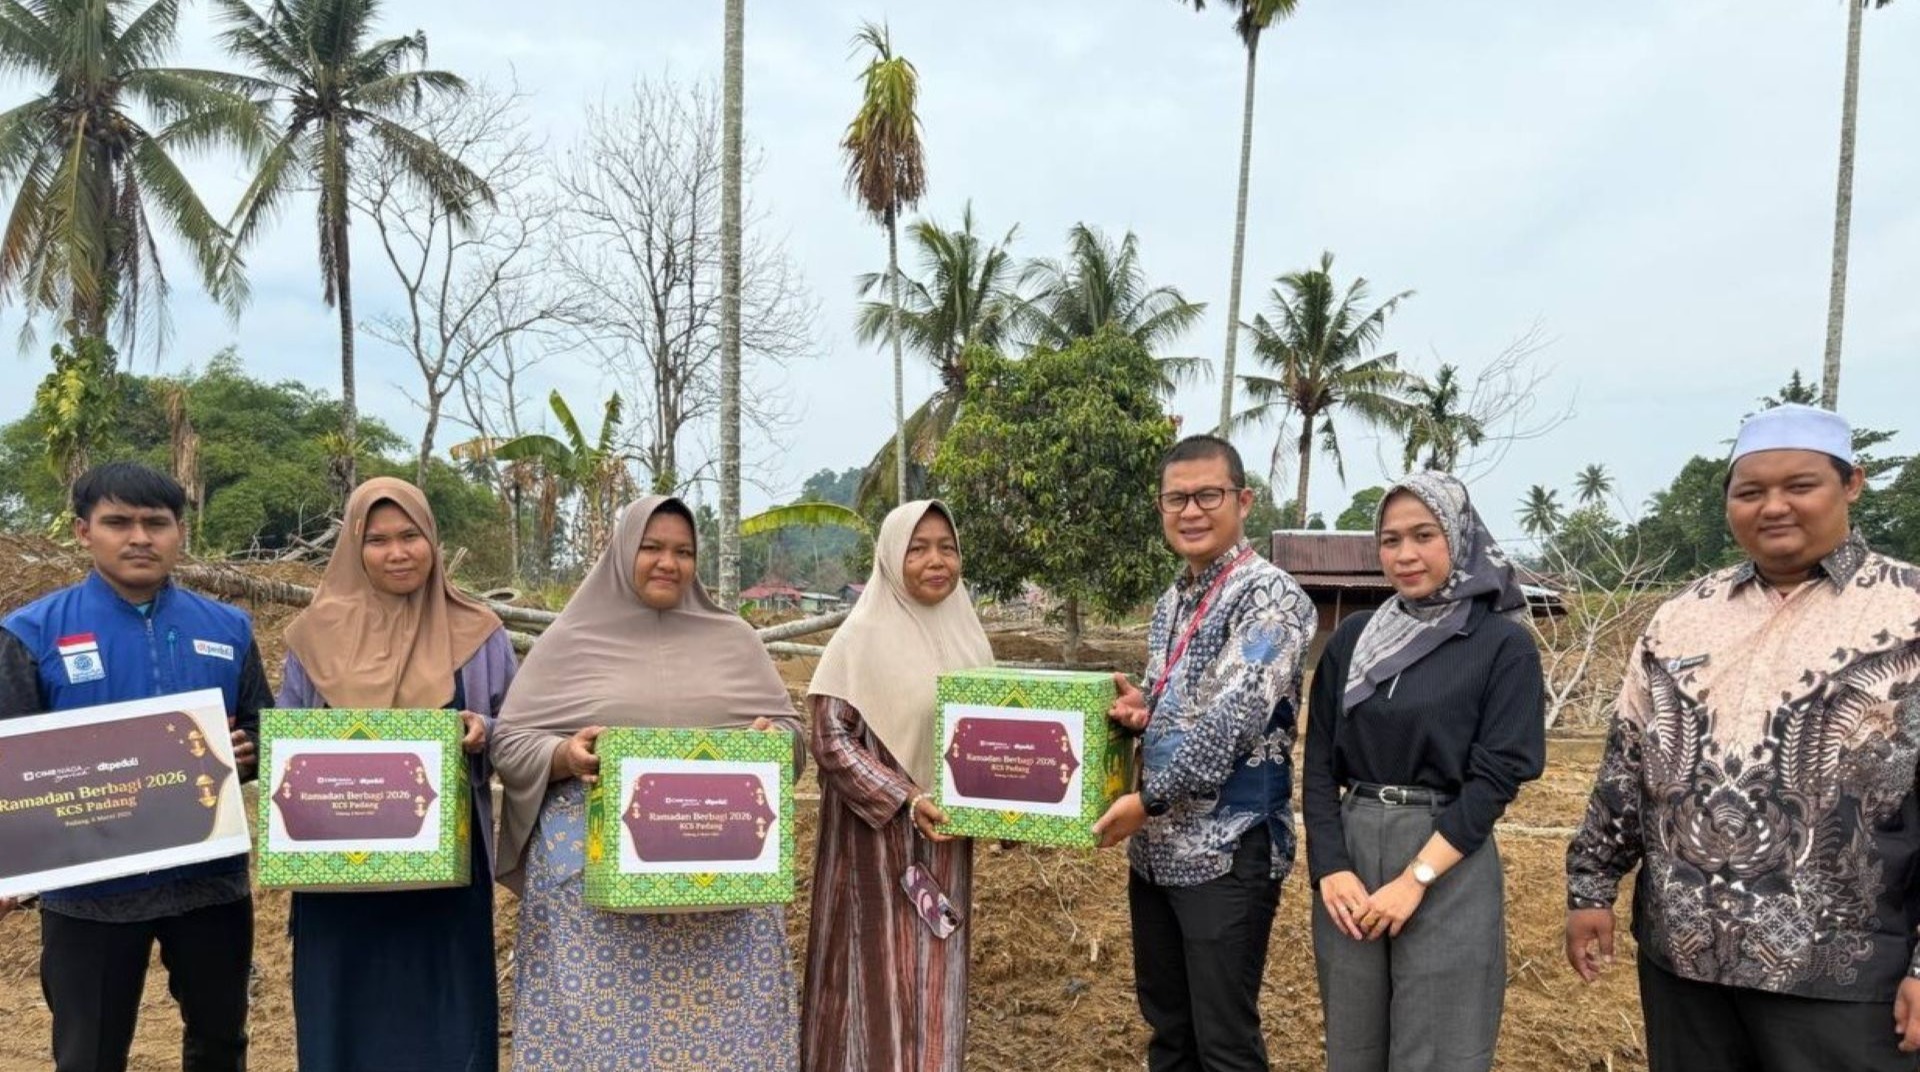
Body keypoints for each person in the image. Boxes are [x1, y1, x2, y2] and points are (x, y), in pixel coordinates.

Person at [1565, 403, 1920, 1072]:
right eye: (1750, 491)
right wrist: (1592, 888)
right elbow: (1625, 767)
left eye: (1800, 486)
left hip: (1844, 970)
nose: (1774, 507)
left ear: (1851, 484)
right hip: (1685, 960)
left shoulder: (1908, 613)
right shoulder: (1682, 617)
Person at [491, 495, 802, 1071]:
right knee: (598, 1042)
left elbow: (790, 733)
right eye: (651, 548)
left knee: (722, 1041)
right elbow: (508, 742)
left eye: (683, 551)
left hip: (721, 887)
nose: (668, 563)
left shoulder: (734, 639)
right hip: (592, 895)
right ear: (622, 552)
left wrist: (774, 743)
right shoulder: (570, 639)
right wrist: (564, 754)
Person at [0, 462, 266, 1072]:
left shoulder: (228, 627)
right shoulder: (31, 633)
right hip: (88, 892)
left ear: (180, 532)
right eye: (118, 522)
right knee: (89, 1052)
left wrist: (248, 752)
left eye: (156, 523)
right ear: (82, 532)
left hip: (210, 881)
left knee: (221, 1040)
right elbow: (9, 762)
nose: (139, 537)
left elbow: (261, 728)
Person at [1302, 471, 1545, 1072]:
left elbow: (1495, 779)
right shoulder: (1356, 638)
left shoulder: (1499, 645)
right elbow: (1316, 765)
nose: (1405, 555)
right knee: (1352, 1044)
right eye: (1390, 540)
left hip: (1447, 858)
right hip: (1352, 858)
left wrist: (1416, 879)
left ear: (1460, 539)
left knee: (1439, 1046)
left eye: (1424, 535)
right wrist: (1330, 867)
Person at [277, 477, 518, 1071]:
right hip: (337, 880)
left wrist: (485, 732)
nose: (397, 552)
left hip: (447, 884)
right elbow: (288, 737)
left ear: (432, 540)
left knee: (446, 1025)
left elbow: (520, 733)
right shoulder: (312, 639)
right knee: (345, 1024)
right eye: (378, 539)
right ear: (354, 549)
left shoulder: (479, 633)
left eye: (411, 535)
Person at [1095, 434, 1317, 1072]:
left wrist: (1150, 798)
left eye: (1208, 495)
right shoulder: (1172, 601)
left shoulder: (1271, 597)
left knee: (1224, 1042)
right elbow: (1190, 703)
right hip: (1157, 853)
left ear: (1243, 501)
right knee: (1169, 1032)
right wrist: (1146, 712)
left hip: (1228, 851)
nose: (1191, 511)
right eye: (1176, 499)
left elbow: (1233, 717)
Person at [800, 500, 997, 1072]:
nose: (936, 560)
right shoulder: (859, 638)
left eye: (947, 547)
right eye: (918, 548)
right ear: (891, 557)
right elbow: (829, 737)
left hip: (947, 844)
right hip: (873, 850)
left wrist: (1013, 808)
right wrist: (904, 797)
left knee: (938, 976)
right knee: (870, 983)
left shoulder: (970, 637)